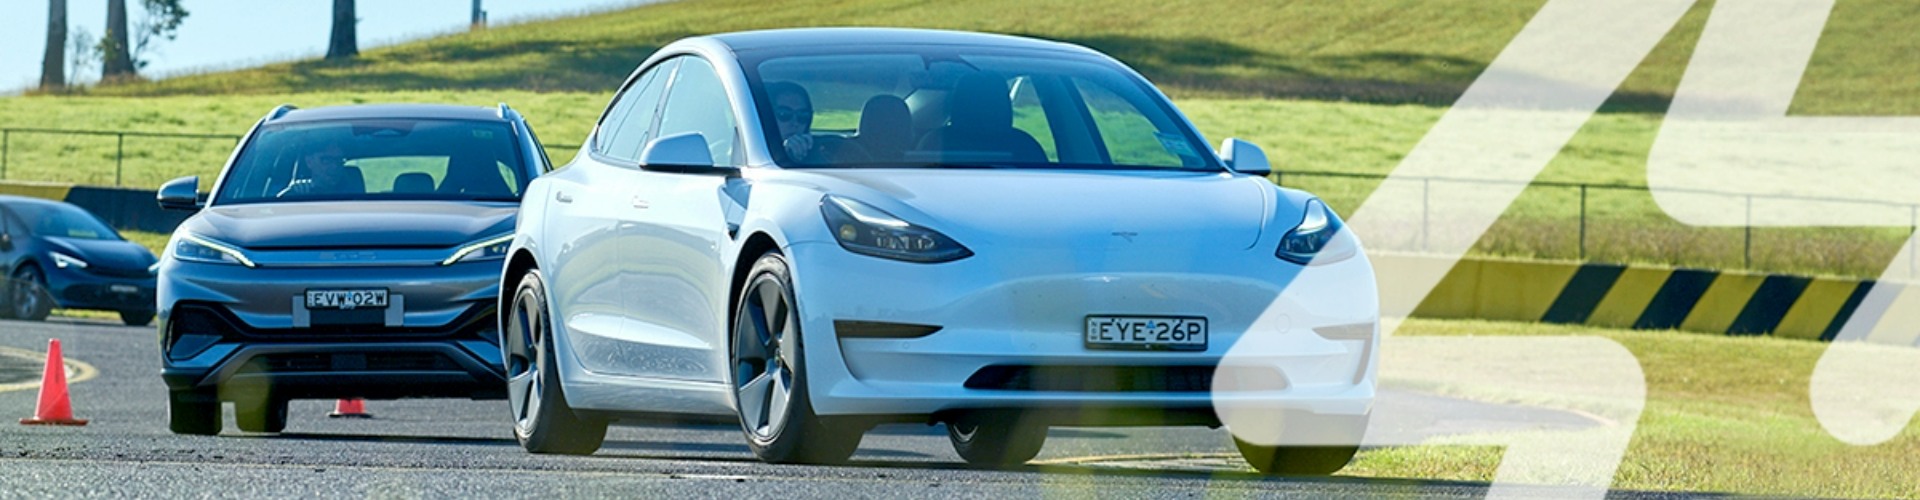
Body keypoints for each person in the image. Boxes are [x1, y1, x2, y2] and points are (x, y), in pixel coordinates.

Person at [277, 143, 361, 197]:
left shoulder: (357, 200)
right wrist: (293, 193)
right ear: (309, 162)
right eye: (326, 160)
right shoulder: (297, 194)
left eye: (339, 160)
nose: (334, 166)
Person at [765, 81, 818, 163]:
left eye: (803, 116)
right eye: (784, 114)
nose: (795, 123)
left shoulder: (824, 152)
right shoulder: (751, 152)